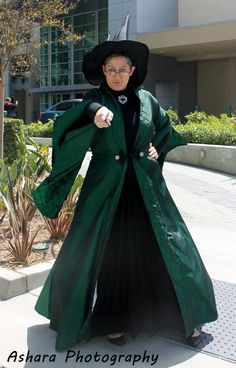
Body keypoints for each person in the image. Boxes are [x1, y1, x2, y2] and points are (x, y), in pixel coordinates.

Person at [32, 40, 217, 352]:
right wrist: (94, 112)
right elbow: (75, 117)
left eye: (123, 70)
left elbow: (165, 128)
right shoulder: (96, 98)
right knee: (110, 252)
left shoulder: (146, 99)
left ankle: (184, 316)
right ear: (103, 72)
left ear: (133, 71)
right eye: (111, 70)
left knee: (165, 248)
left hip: (146, 186)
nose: (117, 75)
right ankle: (113, 319)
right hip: (106, 186)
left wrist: (158, 149)